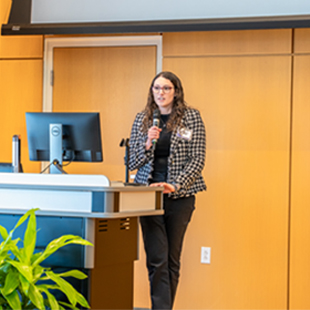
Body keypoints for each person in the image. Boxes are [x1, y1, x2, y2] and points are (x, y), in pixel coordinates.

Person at [128, 71, 206, 310]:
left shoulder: (190, 118)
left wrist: (176, 183)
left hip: (179, 196)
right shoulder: (143, 119)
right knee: (156, 259)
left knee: (171, 260)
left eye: (166, 88)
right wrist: (146, 144)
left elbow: (197, 158)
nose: (160, 93)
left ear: (176, 91)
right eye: (156, 88)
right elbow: (132, 162)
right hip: (148, 197)